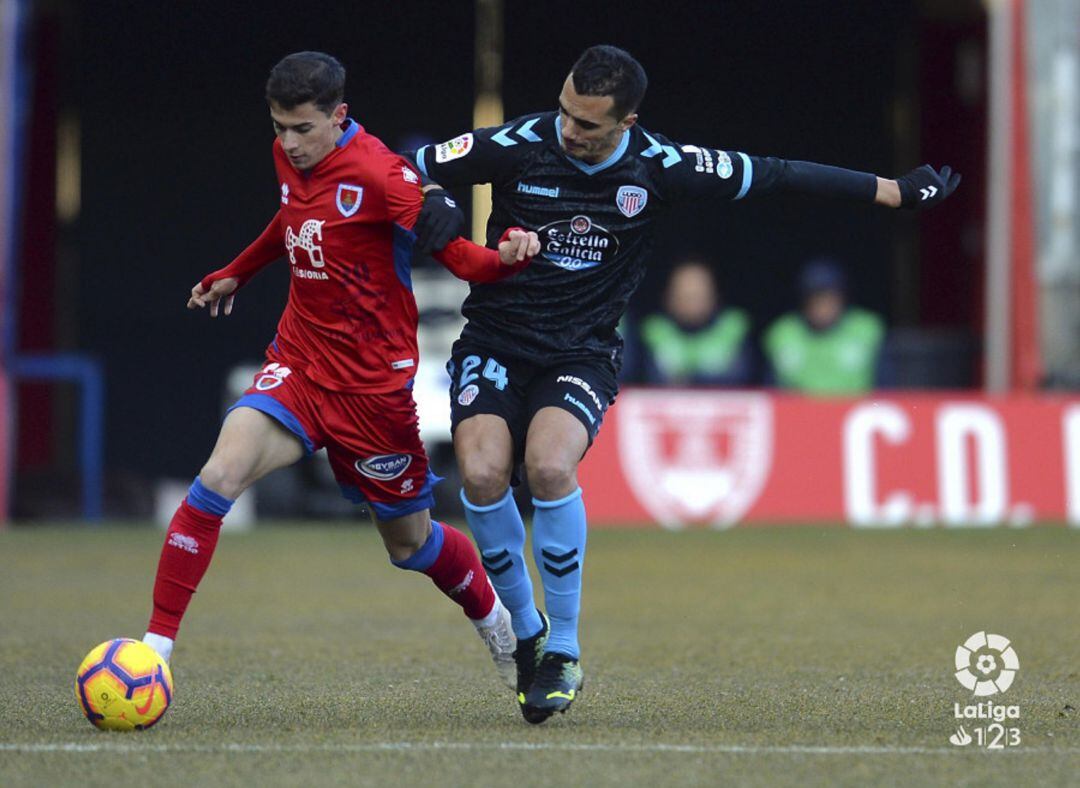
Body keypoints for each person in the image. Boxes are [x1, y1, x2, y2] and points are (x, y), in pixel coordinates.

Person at [406, 44, 960, 724]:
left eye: (588, 125)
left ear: (629, 121)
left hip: (579, 353)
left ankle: (565, 649)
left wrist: (893, 191)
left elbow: (778, 174)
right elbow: (407, 165)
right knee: (484, 475)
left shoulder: (662, 166)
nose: (570, 131)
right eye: (565, 113)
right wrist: (430, 198)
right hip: (494, 339)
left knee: (548, 466)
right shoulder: (521, 142)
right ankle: (527, 633)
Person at [141, 52, 541, 692]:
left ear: (339, 116)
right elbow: (292, 221)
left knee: (410, 546)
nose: (290, 144)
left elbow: (463, 261)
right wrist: (238, 270)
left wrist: (512, 258)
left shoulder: (385, 176)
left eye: (303, 129)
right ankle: (153, 652)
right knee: (217, 478)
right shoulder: (287, 158)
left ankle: (497, 619)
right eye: (279, 128)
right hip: (298, 364)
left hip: (372, 392)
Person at [762, 258, 886, 394]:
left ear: (842, 298)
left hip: (855, 412)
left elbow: (886, 385)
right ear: (804, 301)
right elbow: (771, 390)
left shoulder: (866, 328)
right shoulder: (783, 333)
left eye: (829, 299)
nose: (823, 307)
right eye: (816, 299)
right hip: (799, 413)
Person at [639, 260, 753, 386]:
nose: (692, 303)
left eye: (698, 295)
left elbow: (741, 377)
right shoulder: (654, 329)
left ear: (714, 296)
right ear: (668, 298)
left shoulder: (733, 326)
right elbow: (648, 376)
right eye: (685, 295)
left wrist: (687, 379)